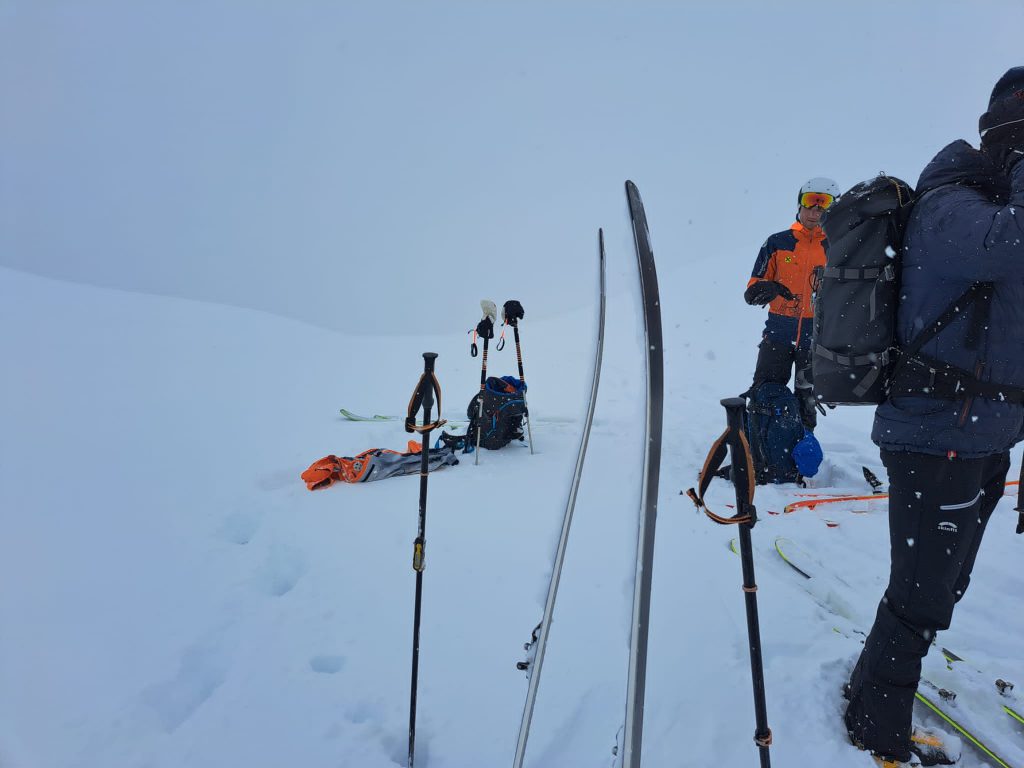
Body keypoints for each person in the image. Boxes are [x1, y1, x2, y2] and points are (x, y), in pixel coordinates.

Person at [843, 67, 1024, 768]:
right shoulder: (950, 205)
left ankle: (872, 689)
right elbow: (1009, 244)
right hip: (935, 435)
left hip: (982, 435)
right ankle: (874, 725)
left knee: (941, 587)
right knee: (922, 594)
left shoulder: (992, 206)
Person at [744, 177, 839, 431]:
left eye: (823, 206)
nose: (815, 211)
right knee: (764, 395)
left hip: (816, 336)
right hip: (778, 332)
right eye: (810, 203)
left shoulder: (838, 248)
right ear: (799, 205)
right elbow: (751, 293)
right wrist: (769, 287)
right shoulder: (777, 243)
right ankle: (759, 456)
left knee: (806, 401)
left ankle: (797, 463)